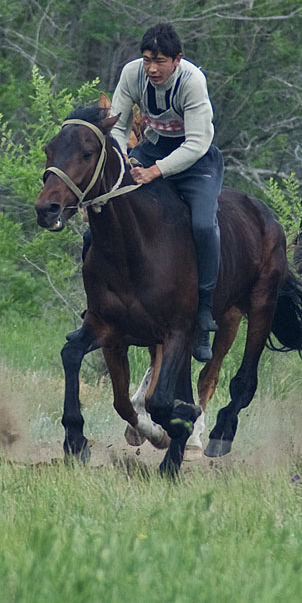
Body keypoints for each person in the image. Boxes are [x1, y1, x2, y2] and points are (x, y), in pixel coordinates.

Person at [108, 23, 224, 362]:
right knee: (107, 206)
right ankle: (102, 299)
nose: (152, 68)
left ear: (177, 59)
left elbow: (198, 142)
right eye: (147, 60)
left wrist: (155, 172)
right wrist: (123, 158)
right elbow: (117, 124)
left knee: (204, 225)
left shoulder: (192, 81)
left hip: (196, 162)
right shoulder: (133, 74)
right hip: (150, 150)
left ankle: (203, 313)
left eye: (159, 61)